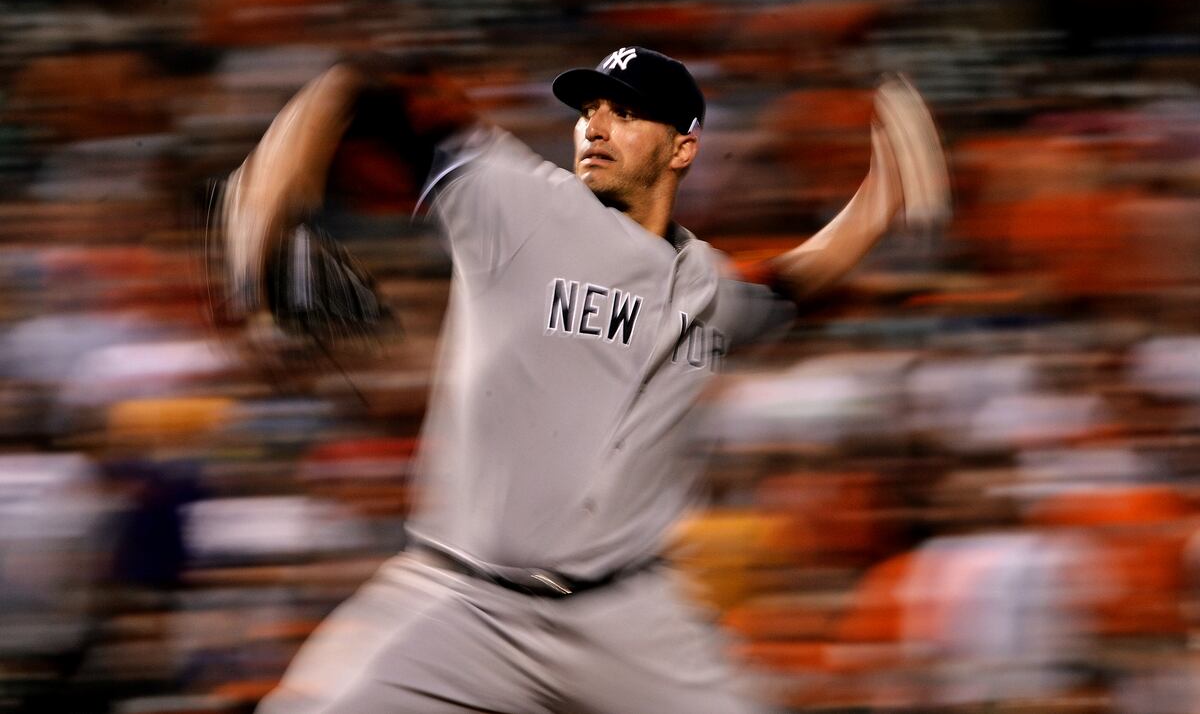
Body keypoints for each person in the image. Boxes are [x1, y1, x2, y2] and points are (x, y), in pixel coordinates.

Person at [221, 46, 949, 713]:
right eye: (590, 110)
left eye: (626, 113)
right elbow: (363, 85)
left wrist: (880, 200)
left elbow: (792, 281)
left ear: (683, 147)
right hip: (463, 600)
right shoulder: (519, 200)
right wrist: (264, 212)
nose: (596, 126)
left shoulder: (707, 286)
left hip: (629, 617)